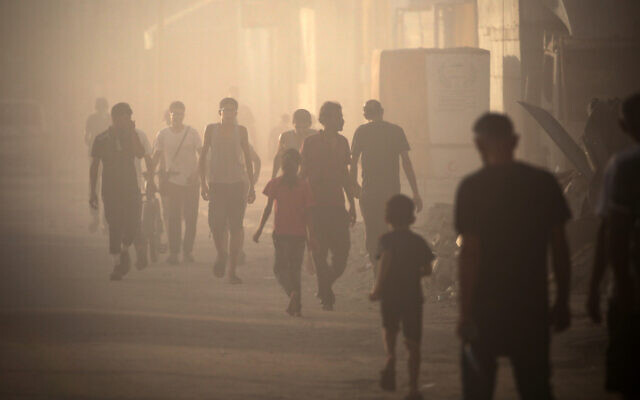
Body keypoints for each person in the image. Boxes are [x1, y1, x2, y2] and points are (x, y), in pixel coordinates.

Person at [455, 113, 572, 400]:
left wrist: (465, 312)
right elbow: (559, 247)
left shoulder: (472, 187)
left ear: (479, 145)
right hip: (530, 305)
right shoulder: (543, 183)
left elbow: (469, 253)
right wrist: (562, 300)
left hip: (485, 306)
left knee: (478, 389)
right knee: (535, 387)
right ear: (515, 141)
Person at [587, 93, 640, 399]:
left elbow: (611, 233)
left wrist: (596, 287)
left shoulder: (622, 168)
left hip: (630, 289)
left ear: (623, 125)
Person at [369, 194, 434, 400]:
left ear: (387, 218)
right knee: (413, 342)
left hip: (390, 295)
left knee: (389, 329)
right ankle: (413, 388)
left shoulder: (385, 240)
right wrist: (415, 273)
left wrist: (377, 288)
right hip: (412, 295)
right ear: (411, 217)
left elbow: (385, 261)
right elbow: (427, 269)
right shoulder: (418, 242)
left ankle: (390, 357)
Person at [351, 100, 423, 273]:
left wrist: (353, 185)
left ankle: (378, 269)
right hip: (391, 192)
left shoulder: (361, 132)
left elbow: (352, 162)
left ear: (365, 114)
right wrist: (415, 192)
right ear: (382, 112)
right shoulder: (396, 131)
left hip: (369, 191)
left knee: (372, 230)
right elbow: (406, 163)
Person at [301, 101, 356, 310]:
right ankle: (326, 295)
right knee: (320, 253)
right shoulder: (310, 142)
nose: (342, 119)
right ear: (325, 119)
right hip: (315, 207)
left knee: (342, 255)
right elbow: (302, 173)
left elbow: (345, 176)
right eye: (337, 116)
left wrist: (352, 204)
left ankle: (324, 286)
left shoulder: (343, 143)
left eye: (341, 115)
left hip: (337, 205)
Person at [90, 103, 150, 281]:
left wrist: (132, 134)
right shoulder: (101, 139)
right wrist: (92, 192)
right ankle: (117, 264)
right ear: (114, 118)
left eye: (128, 118)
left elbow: (140, 154)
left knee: (132, 224)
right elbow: (94, 167)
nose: (126, 121)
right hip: (110, 190)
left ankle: (125, 249)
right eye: (122, 118)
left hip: (131, 188)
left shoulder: (132, 137)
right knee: (114, 225)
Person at [200, 97, 256, 284]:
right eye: (226, 110)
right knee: (216, 224)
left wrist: (252, 187)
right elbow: (202, 157)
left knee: (236, 226)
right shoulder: (211, 129)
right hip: (216, 184)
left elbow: (248, 159)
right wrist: (203, 183)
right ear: (220, 112)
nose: (229, 113)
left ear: (236, 113)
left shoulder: (241, 131)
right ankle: (221, 254)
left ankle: (231, 271)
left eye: (233, 110)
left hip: (236, 184)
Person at [254, 149, 314, 316]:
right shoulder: (304, 185)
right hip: (300, 235)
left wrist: (259, 230)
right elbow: (309, 216)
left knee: (280, 269)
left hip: (281, 234)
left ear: (282, 166)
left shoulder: (275, 183)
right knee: (295, 270)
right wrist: (311, 243)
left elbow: (267, 209)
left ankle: (292, 294)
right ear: (298, 166)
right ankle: (297, 306)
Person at [152, 101, 202, 265]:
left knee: (191, 218)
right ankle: (174, 252)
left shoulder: (192, 133)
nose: (177, 117)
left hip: (191, 182)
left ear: (184, 115)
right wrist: (149, 174)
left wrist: (197, 174)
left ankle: (187, 251)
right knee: (173, 218)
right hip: (172, 181)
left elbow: (202, 155)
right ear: (170, 115)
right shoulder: (163, 134)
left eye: (180, 114)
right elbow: (156, 157)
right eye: (174, 114)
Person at [85, 97, 111, 233]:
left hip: (97, 156)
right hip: (106, 157)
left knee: (95, 186)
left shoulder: (92, 119)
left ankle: (96, 218)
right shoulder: (109, 118)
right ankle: (104, 220)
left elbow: (86, 137)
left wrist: (91, 145)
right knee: (105, 187)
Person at [272, 109, 315, 178]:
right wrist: (273, 177)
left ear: (310, 124)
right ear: (293, 123)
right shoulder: (285, 137)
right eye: (298, 127)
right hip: (290, 177)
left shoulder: (316, 137)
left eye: (304, 128)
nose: (301, 131)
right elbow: (278, 157)